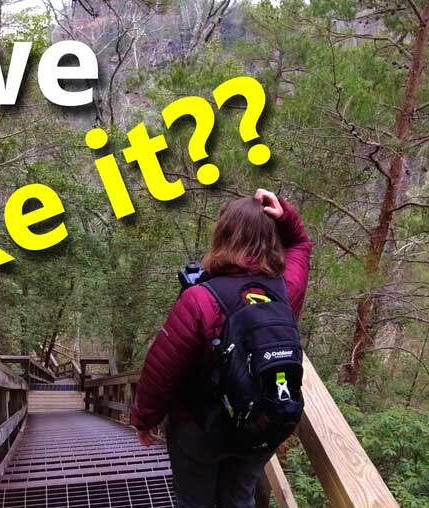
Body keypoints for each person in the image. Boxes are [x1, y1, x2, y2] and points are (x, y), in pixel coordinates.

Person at [130, 188, 313, 508]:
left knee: (195, 501)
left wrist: (144, 419)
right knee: (240, 498)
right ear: (271, 241)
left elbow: (163, 369)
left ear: (223, 237)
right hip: (260, 425)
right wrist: (284, 214)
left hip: (200, 429)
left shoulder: (200, 299)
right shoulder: (285, 291)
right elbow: (300, 244)